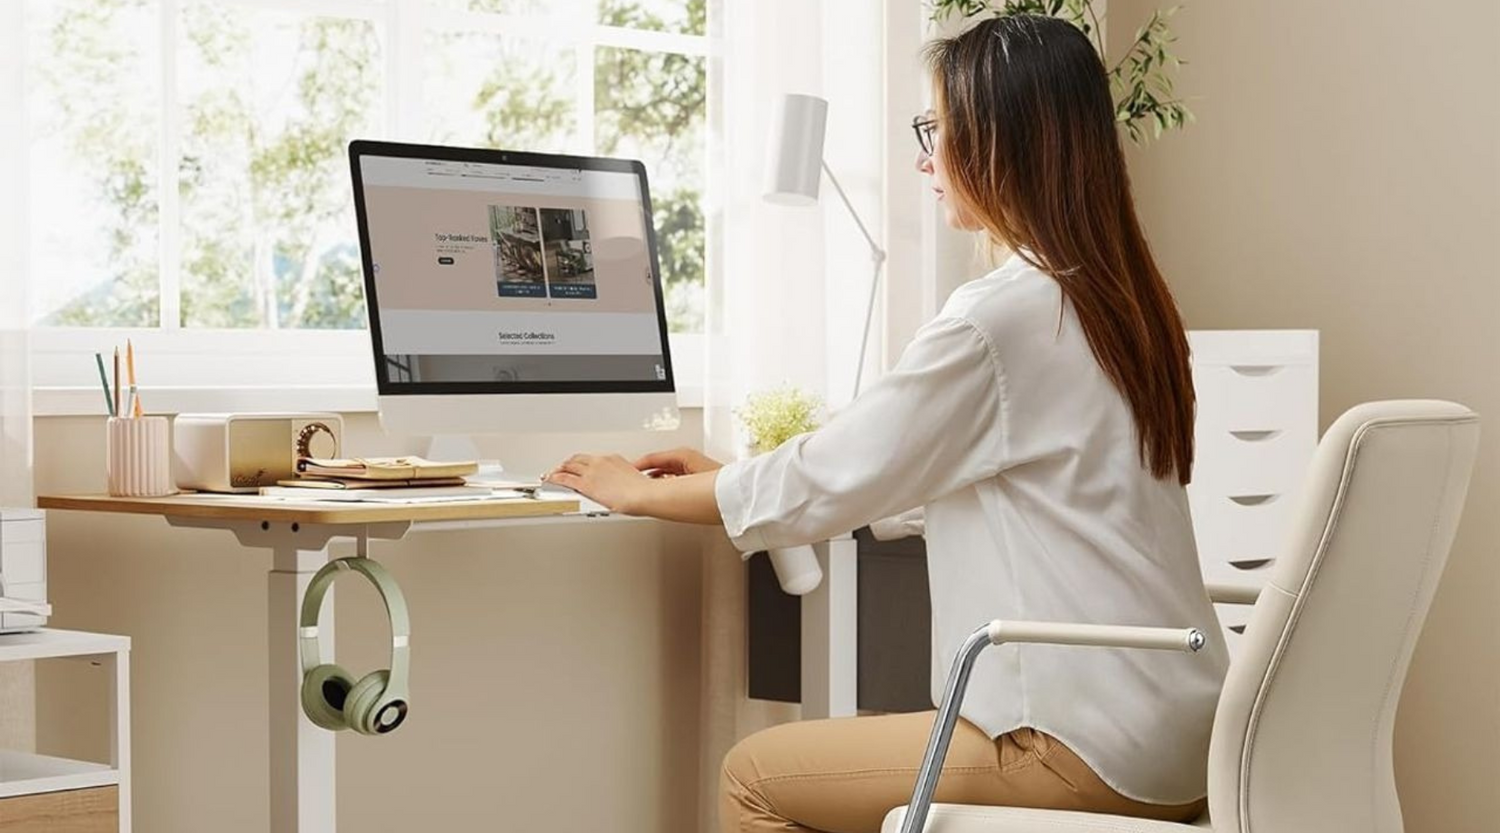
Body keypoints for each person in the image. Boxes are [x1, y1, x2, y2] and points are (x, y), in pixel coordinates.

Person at [544, 13, 1229, 833]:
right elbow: (934, 475)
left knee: (753, 775)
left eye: (937, 130)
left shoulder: (999, 319)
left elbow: (829, 475)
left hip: (1074, 747)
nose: (923, 158)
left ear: (1001, 141)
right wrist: (722, 473)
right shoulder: (1122, 305)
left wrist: (638, 493)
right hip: (1191, 743)